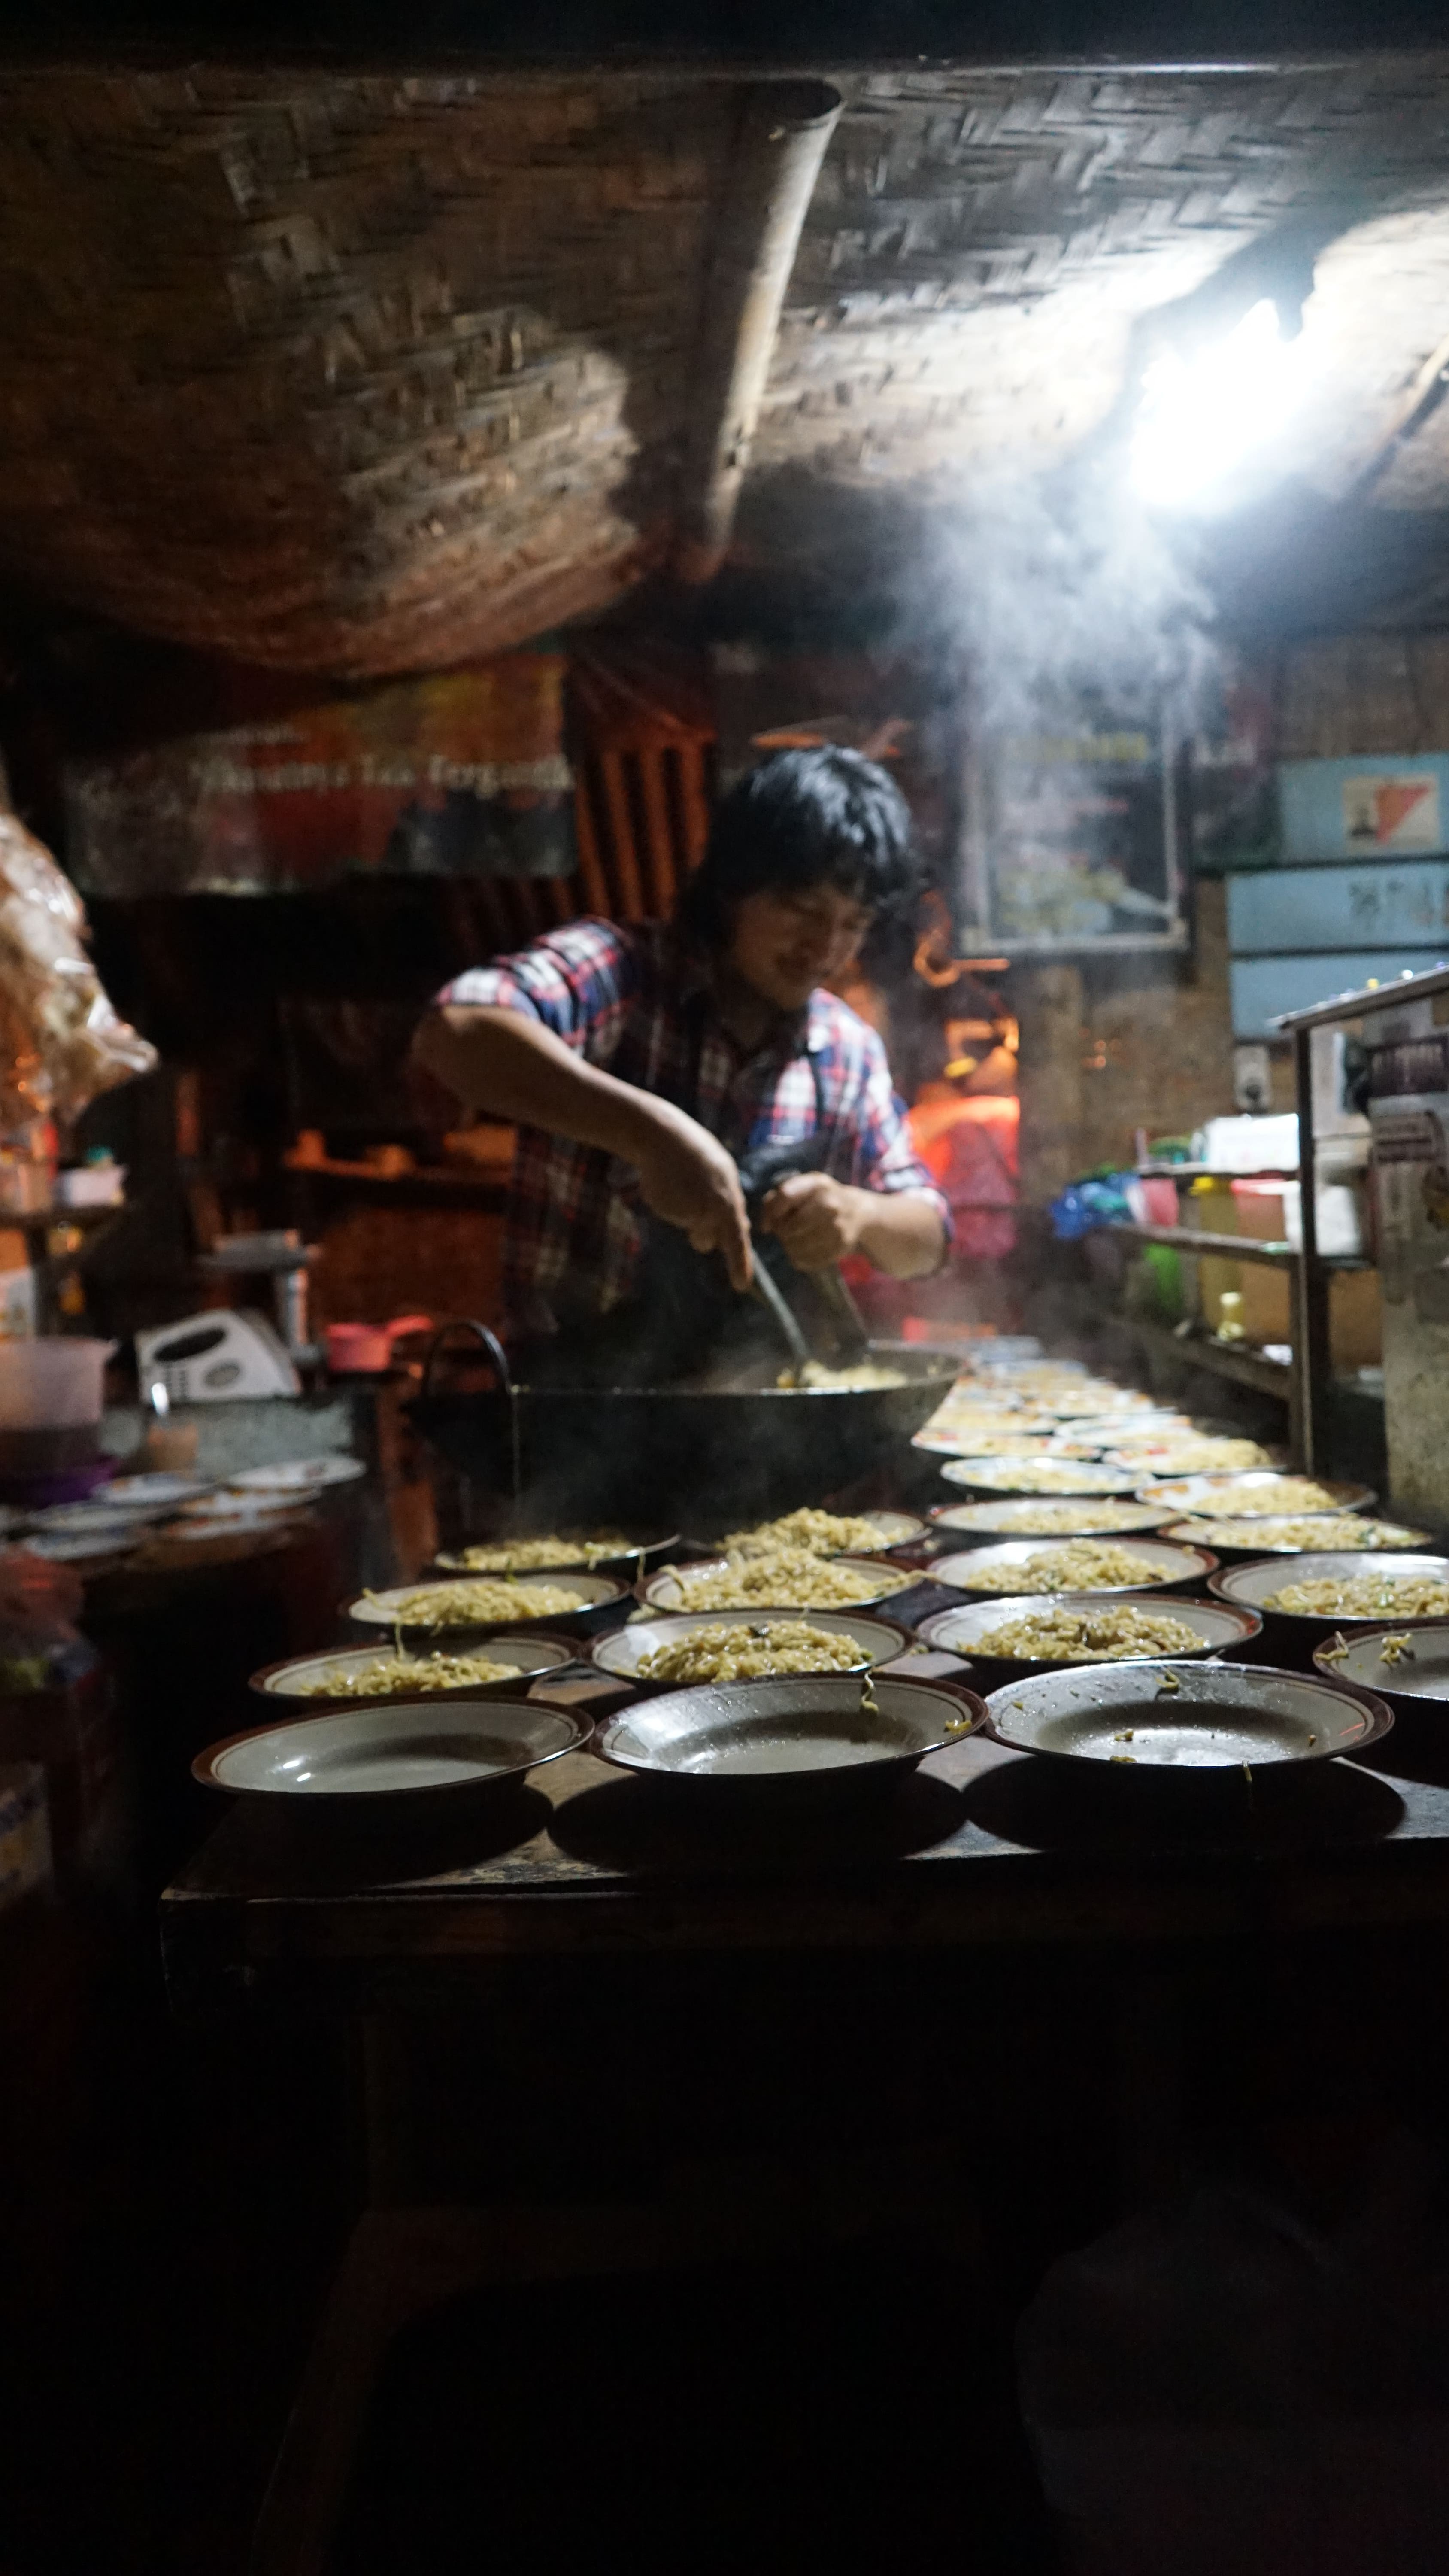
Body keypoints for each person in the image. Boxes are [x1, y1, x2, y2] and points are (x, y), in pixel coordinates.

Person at [413, 746, 950, 1374]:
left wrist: (859, 1216)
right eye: (803, 911)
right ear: (732, 887)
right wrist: (648, 1136)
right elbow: (453, 1032)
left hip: (757, 1432)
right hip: (569, 1422)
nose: (825, 947)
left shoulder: (844, 1050)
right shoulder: (620, 972)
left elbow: (930, 1235)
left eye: (851, 923)